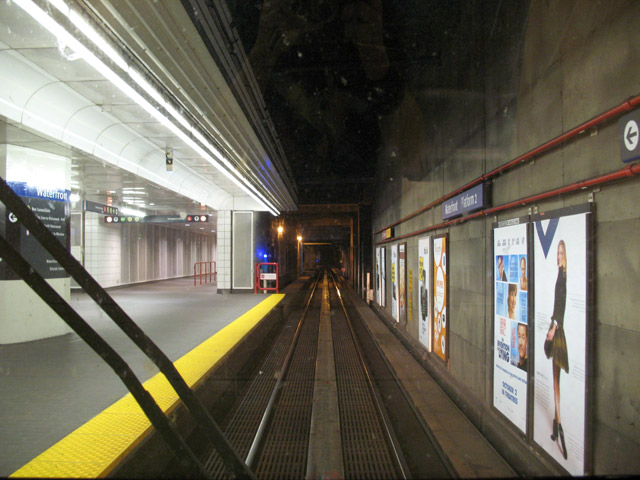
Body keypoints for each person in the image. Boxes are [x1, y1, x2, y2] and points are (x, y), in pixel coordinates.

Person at [545, 240, 569, 460]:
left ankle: (559, 423)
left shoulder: (562, 276)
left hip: (557, 331)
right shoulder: (560, 274)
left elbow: (560, 307)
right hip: (556, 328)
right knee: (555, 379)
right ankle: (556, 423)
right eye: (557, 252)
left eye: (561, 252)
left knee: (556, 379)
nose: (558, 255)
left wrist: (553, 328)